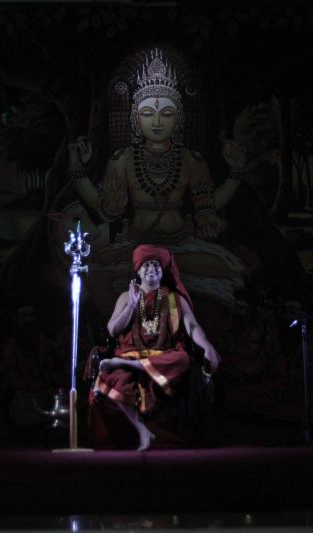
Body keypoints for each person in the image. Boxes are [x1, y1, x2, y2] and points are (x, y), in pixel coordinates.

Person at [68, 47, 248, 309]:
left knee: (225, 267)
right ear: (135, 119)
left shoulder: (191, 159)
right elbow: (104, 207)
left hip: (181, 243)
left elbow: (208, 205)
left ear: (179, 119)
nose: (157, 122)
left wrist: (235, 174)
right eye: (147, 114)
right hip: (135, 242)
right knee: (97, 267)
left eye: (166, 114)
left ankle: (159, 261)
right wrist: (78, 168)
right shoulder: (122, 159)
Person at [94, 244, 220, 450]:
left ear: (162, 270)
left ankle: (131, 366)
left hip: (164, 356)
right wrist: (132, 305)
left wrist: (206, 345)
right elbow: (113, 329)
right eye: (146, 265)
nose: (151, 268)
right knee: (116, 379)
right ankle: (142, 430)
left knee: (183, 358)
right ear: (138, 270)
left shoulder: (173, 299)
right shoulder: (126, 296)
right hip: (130, 354)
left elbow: (191, 326)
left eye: (156, 265)